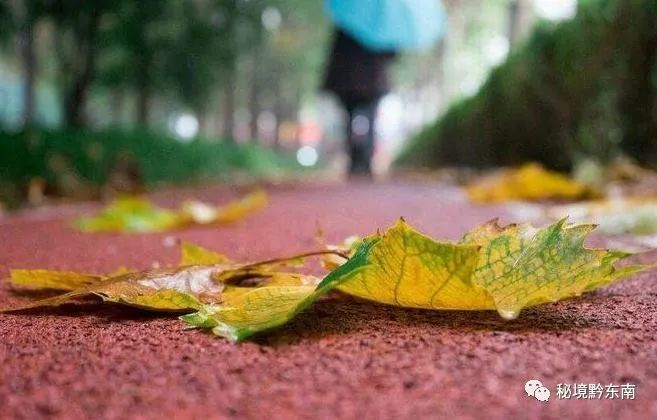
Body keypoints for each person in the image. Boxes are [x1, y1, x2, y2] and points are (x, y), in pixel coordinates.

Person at [323, 28, 397, 177]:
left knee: (350, 120)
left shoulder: (347, 23)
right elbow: (391, 54)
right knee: (369, 120)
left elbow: (336, 52)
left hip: (348, 81)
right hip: (372, 81)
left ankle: (354, 162)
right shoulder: (381, 27)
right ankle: (365, 163)